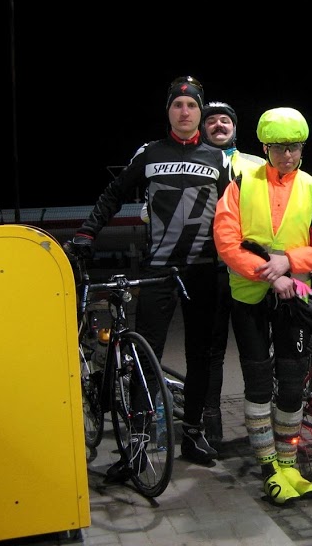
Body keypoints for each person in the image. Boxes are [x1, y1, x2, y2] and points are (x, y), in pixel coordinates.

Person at [69, 75, 232, 474]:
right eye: (177, 105)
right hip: (158, 270)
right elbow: (113, 194)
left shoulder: (219, 159)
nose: (184, 111)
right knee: (146, 356)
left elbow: (236, 212)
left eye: (191, 106)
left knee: (201, 356)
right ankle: (138, 447)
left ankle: (192, 433)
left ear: (200, 112)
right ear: (168, 111)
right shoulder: (150, 152)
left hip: (205, 271)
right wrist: (87, 233)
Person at [214, 106, 312, 505]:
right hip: (250, 294)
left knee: (291, 383)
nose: (288, 155)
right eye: (279, 147)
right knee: (257, 384)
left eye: (295, 147)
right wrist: (272, 274)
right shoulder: (241, 184)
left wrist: (290, 261)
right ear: (265, 148)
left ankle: (289, 465)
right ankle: (269, 468)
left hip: (296, 295)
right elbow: (226, 242)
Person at [200, 101, 265, 447]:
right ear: (203, 128)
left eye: (225, 120)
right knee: (211, 351)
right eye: (211, 121)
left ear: (235, 128)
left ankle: (260, 427)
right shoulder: (193, 164)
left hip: (248, 270)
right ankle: (210, 422)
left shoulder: (256, 164)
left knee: (254, 350)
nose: (219, 125)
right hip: (207, 271)